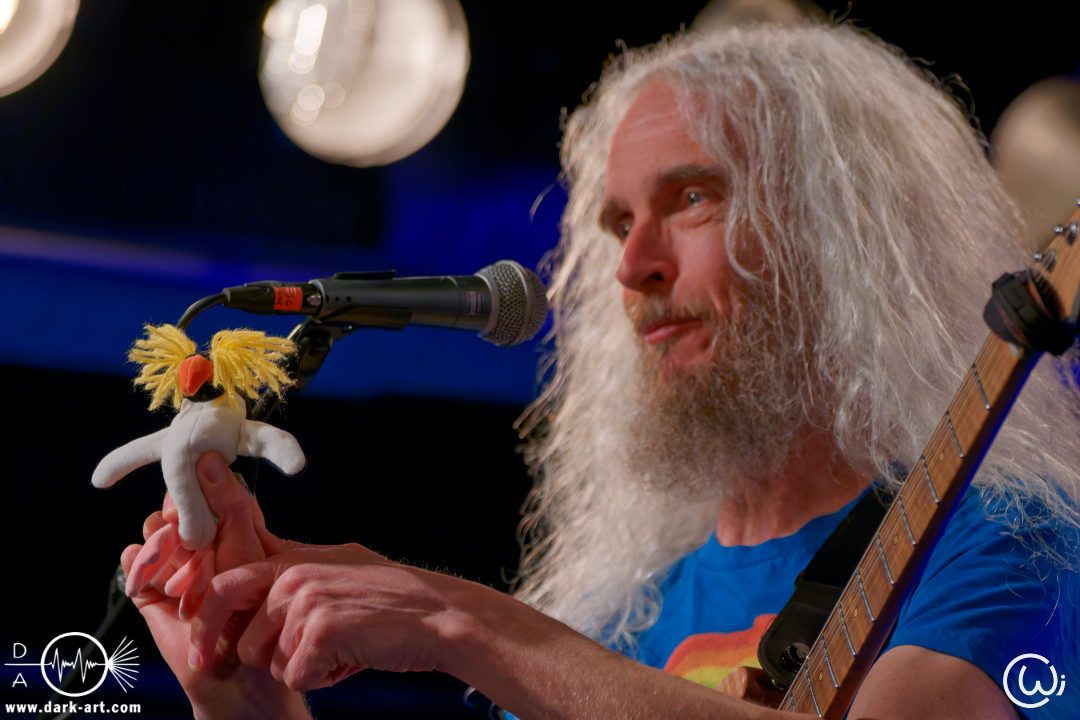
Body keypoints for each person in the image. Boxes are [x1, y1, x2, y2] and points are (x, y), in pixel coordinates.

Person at [122, 22, 1080, 719]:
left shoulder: (1007, 541)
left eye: (693, 198)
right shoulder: (615, 629)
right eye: (621, 223)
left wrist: (464, 621)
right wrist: (247, 702)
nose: (633, 267)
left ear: (843, 236)